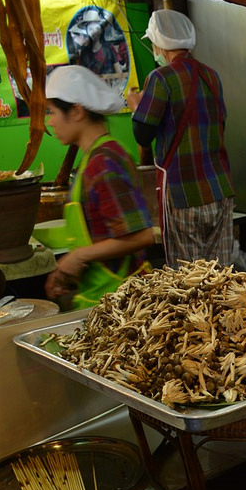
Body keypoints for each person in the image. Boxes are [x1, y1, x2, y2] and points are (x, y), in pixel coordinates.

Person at [126, 9, 234, 266]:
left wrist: (135, 107)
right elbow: (220, 125)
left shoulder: (160, 78)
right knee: (220, 277)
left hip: (184, 195)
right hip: (220, 191)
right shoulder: (211, 76)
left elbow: (142, 134)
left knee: (188, 283)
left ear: (160, 45)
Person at [44, 66, 155, 309]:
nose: (50, 122)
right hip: (102, 300)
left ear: (76, 111)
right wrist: (69, 273)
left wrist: (79, 256)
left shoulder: (104, 162)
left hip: (124, 303)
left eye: (52, 112)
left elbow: (141, 235)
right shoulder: (91, 160)